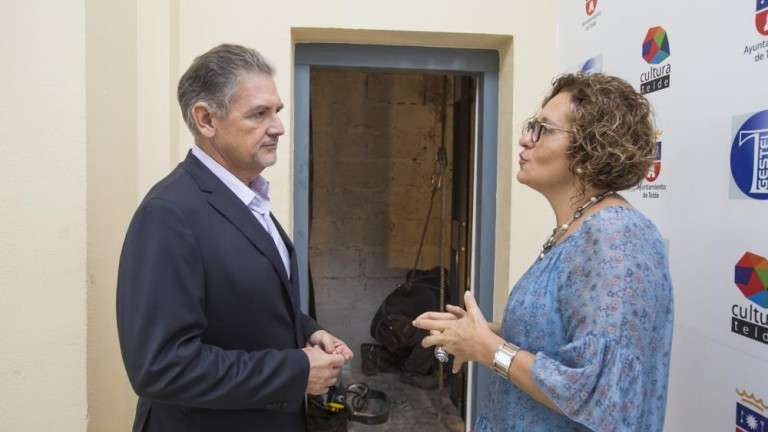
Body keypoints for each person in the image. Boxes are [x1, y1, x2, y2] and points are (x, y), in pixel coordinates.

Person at [413, 73, 673, 431]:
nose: (524, 139)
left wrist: (488, 348)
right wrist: (478, 333)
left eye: (542, 129)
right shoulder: (577, 228)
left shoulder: (617, 237)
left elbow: (597, 394)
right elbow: (567, 337)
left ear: (591, 148)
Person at [117, 44, 353, 432]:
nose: (277, 126)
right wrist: (296, 371)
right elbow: (160, 367)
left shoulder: (248, 198)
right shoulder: (168, 213)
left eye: (276, 111)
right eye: (259, 113)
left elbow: (247, 303)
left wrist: (309, 331)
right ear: (206, 119)